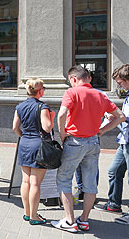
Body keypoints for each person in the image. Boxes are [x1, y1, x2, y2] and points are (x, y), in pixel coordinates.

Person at [52, 66, 125, 233]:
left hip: (75, 141)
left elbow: (61, 114)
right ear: (88, 78)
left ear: (73, 79)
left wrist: (63, 135)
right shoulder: (100, 94)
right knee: (90, 183)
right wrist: (102, 130)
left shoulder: (72, 92)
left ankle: (70, 221)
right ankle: (84, 220)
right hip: (93, 142)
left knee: (64, 179)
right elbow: (120, 116)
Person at [12, 78, 54, 225]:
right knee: (35, 183)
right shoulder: (42, 107)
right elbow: (47, 127)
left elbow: (15, 128)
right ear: (40, 91)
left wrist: (23, 136)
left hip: (24, 144)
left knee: (26, 181)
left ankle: (27, 213)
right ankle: (34, 216)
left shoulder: (20, 106)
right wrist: (51, 118)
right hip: (38, 145)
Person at [94, 64, 129, 225]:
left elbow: (125, 118)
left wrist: (118, 119)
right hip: (124, 140)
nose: (119, 86)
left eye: (120, 82)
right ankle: (114, 204)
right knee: (114, 171)